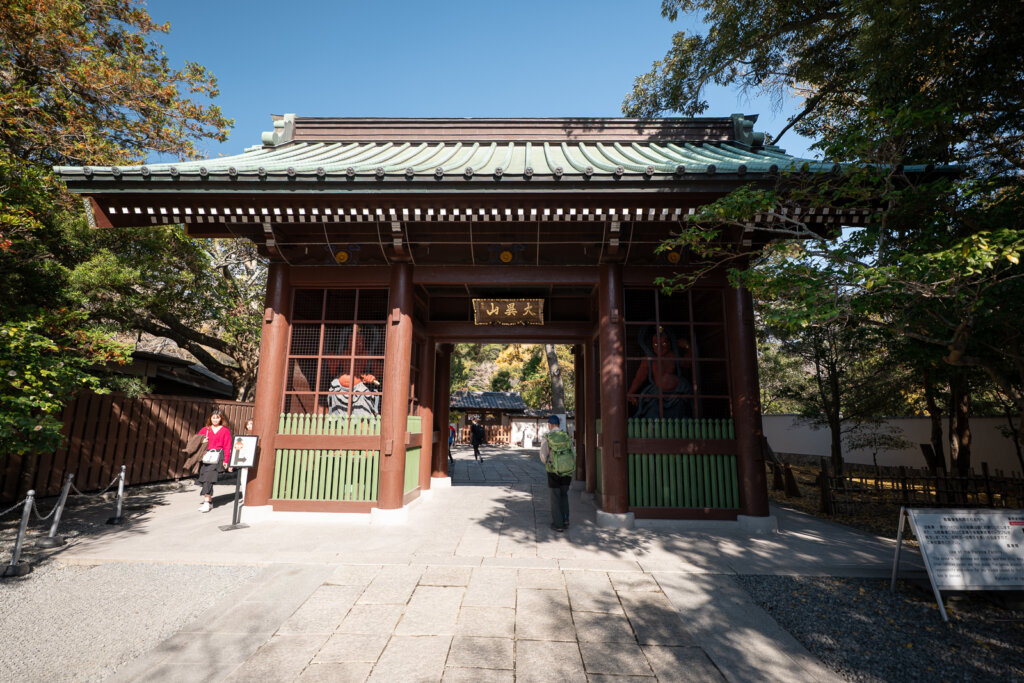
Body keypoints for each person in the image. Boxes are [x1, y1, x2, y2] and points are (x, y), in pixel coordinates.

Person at [627, 325, 694, 419]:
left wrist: (687, 347)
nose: (660, 347)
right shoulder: (650, 358)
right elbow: (639, 378)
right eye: (656, 344)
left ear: (669, 344)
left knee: (680, 411)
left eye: (663, 343)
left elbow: (687, 363)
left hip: (677, 393)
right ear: (652, 345)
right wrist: (631, 393)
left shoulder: (672, 356)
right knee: (654, 411)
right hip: (657, 395)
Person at [539, 415, 573, 532]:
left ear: (549, 424)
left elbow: (543, 457)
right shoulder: (566, 436)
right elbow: (572, 452)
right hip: (567, 471)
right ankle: (565, 519)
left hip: (554, 471)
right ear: (558, 424)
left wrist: (548, 462)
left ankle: (558, 524)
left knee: (555, 497)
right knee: (564, 495)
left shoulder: (547, 437)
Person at [196, 410, 232, 513]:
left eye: (217, 417)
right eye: (213, 417)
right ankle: (209, 501)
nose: (215, 419)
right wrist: (202, 441)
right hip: (206, 456)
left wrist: (226, 460)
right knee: (203, 478)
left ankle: (206, 502)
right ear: (210, 418)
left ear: (221, 419)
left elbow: (227, 446)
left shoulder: (225, 430)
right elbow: (197, 440)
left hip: (218, 456)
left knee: (208, 478)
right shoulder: (205, 429)